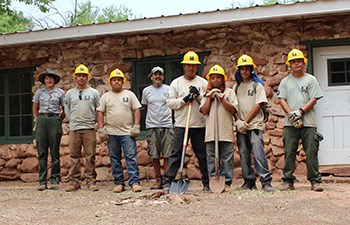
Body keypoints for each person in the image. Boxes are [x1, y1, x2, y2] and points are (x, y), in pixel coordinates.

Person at [277, 49, 324, 192]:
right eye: (293, 62)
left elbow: (314, 99)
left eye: (298, 61)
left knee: (311, 152)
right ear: (289, 65)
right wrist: (291, 114)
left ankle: (315, 181)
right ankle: (288, 181)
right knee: (289, 151)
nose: (296, 64)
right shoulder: (285, 82)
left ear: (304, 63)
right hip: (290, 123)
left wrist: (301, 111)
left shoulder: (311, 80)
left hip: (308, 122)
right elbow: (281, 99)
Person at [162, 51, 209, 192]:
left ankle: (207, 182)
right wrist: (184, 99)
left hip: (199, 124)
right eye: (188, 65)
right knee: (176, 153)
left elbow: (207, 103)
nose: (191, 68)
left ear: (196, 67)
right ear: (184, 66)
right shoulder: (176, 83)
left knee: (202, 155)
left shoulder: (203, 82)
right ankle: (168, 181)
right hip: (181, 124)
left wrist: (198, 96)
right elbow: (170, 102)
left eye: (193, 65)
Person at [97, 68, 142, 193]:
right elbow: (100, 112)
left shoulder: (129, 95)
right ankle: (119, 183)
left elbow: (137, 109)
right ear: (110, 82)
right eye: (114, 80)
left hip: (127, 132)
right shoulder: (105, 97)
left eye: (119, 80)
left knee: (131, 157)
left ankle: (134, 182)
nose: (116, 82)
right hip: (111, 132)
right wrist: (101, 129)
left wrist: (136, 125)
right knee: (115, 158)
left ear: (123, 82)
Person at [234, 54, 274, 192]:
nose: (244, 72)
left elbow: (259, 104)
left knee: (258, 153)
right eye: (242, 69)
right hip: (241, 127)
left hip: (254, 124)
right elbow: (234, 106)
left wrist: (246, 121)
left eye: (247, 69)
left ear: (251, 70)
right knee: (244, 153)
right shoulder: (236, 87)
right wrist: (238, 121)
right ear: (238, 71)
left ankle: (266, 181)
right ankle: (249, 181)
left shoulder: (257, 85)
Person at [200, 65, 237, 191]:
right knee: (211, 158)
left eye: (218, 78)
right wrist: (210, 97)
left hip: (225, 132)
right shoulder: (206, 95)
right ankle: (213, 181)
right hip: (211, 133)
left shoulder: (230, 93)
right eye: (213, 78)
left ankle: (227, 182)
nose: (215, 80)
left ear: (223, 79)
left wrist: (222, 99)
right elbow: (204, 111)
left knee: (227, 158)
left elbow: (232, 109)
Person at [64, 64, 100, 192]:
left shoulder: (94, 93)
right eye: (79, 76)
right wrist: (72, 120)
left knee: (90, 155)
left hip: (89, 128)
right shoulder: (69, 93)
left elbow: (98, 109)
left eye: (83, 76)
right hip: (75, 128)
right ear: (75, 77)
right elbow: (67, 109)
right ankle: (74, 181)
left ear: (87, 77)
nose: (81, 78)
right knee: (74, 156)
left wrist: (95, 122)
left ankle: (90, 181)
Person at [141, 66, 173, 189]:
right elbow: (146, 107)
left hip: (166, 125)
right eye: (155, 75)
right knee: (154, 154)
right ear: (151, 77)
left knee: (167, 154)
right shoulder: (146, 91)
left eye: (160, 74)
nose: (158, 77)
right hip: (152, 126)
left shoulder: (169, 89)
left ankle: (167, 180)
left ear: (163, 77)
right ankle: (158, 179)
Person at [33, 69, 65, 191]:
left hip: (54, 119)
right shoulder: (39, 92)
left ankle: (55, 179)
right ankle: (42, 180)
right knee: (42, 151)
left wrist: (57, 120)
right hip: (42, 119)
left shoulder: (60, 93)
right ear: (44, 80)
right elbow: (35, 106)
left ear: (54, 80)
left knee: (55, 151)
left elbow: (64, 109)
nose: (49, 80)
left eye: (51, 78)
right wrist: (38, 119)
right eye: (47, 78)